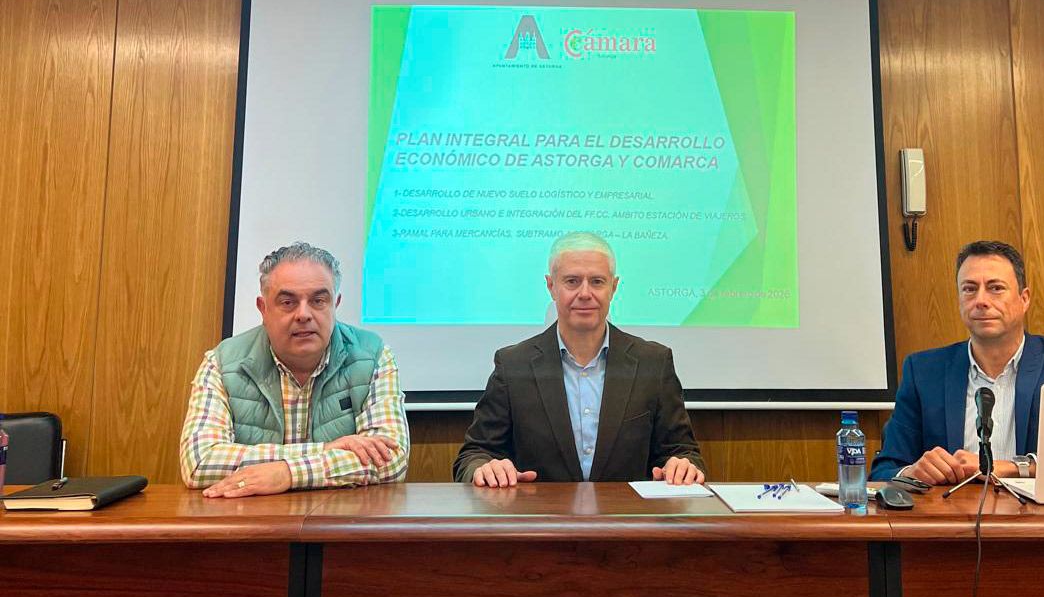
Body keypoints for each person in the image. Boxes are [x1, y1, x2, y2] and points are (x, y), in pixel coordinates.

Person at [453, 232, 706, 487]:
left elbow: (684, 452)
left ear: (613, 287)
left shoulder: (653, 363)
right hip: (543, 522)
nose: (585, 293)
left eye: (597, 281)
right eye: (572, 281)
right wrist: (484, 469)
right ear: (551, 286)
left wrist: (683, 466)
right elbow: (473, 455)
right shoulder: (513, 365)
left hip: (627, 521)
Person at [180, 242, 409, 497]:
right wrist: (323, 452)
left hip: (341, 523)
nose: (304, 314)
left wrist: (288, 473)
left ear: (336, 304)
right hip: (252, 525)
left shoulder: (372, 356)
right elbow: (199, 461)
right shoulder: (223, 363)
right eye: (288, 302)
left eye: (318, 300)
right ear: (263, 308)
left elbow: (392, 458)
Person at [870, 240, 1044, 484]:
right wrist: (911, 472)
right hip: (952, 517)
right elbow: (884, 470)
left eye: (995, 288)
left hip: (1038, 518)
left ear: (1024, 299)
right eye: (969, 289)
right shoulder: (924, 372)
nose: (980, 300)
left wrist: (1010, 468)